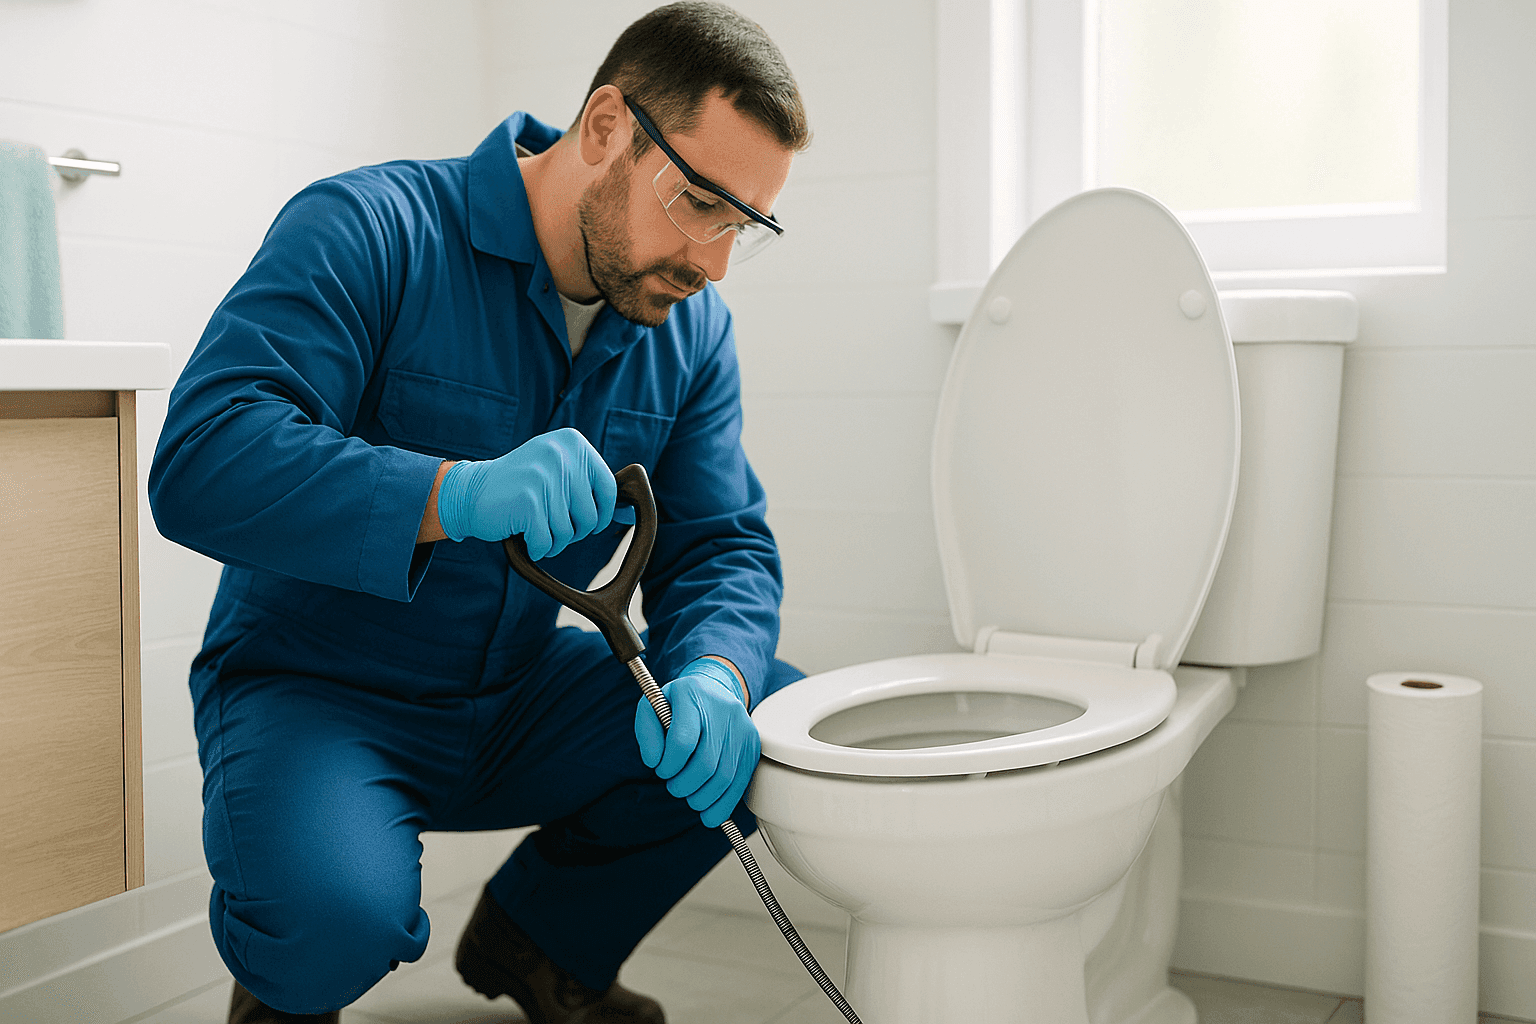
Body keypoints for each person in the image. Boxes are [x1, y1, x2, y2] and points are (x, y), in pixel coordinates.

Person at [147, 4, 811, 1021]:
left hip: (513, 697)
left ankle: (545, 942)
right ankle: (291, 976)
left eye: (742, 226)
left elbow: (721, 543)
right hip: (322, 692)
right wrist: (446, 493)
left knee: (767, 715)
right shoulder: (371, 229)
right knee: (336, 921)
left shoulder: (689, 329)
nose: (713, 263)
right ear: (604, 130)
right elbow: (204, 457)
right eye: (699, 204)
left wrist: (716, 670)